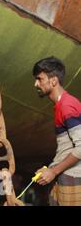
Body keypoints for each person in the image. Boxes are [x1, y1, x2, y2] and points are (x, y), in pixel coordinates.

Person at [32, 57, 81, 206]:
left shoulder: (67, 106)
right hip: (65, 174)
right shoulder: (62, 104)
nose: (36, 84)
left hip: (73, 177)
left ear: (53, 81)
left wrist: (53, 171)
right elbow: (67, 147)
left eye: (39, 79)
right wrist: (51, 168)